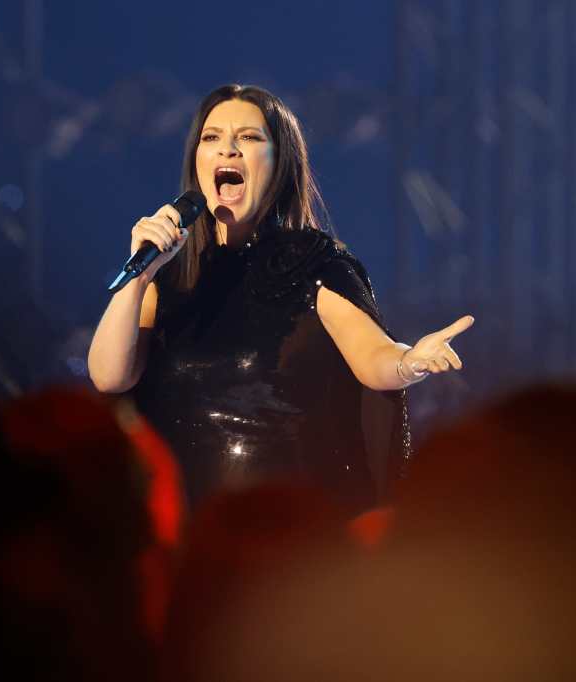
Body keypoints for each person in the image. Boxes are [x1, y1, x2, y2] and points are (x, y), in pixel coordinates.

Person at [88, 84, 472, 513]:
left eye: (248, 137)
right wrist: (140, 276)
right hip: (188, 524)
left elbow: (375, 358)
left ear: (280, 163)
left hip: (286, 524)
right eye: (212, 137)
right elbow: (109, 377)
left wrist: (410, 362)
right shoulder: (170, 275)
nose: (228, 149)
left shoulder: (313, 266)